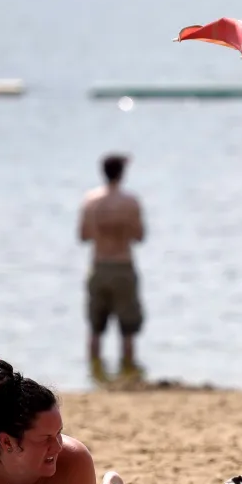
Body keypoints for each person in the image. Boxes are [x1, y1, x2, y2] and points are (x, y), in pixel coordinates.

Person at [80, 154, 145, 382]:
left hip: (99, 266)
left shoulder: (91, 201)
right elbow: (139, 235)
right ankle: (127, 373)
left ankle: (95, 375)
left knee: (95, 329)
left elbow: (83, 235)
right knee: (127, 330)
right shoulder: (131, 202)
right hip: (123, 266)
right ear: (122, 173)